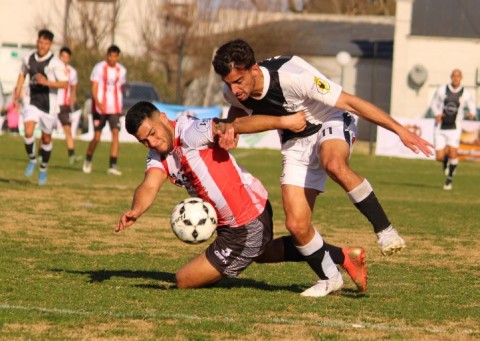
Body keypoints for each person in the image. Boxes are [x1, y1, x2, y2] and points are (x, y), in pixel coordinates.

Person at [211, 39, 434, 291]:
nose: (234, 89)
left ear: (252, 69)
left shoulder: (292, 77)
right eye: (228, 83)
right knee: (297, 225)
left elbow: (351, 103)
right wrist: (230, 130)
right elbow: (236, 113)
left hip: (332, 119)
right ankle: (331, 278)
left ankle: (385, 231)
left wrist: (400, 131)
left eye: (238, 81)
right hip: (296, 141)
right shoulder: (233, 92)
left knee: (333, 163)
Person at [116, 101, 367, 297]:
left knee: (184, 280)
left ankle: (333, 271)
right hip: (232, 224)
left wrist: (282, 122)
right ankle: (344, 255)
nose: (152, 141)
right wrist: (135, 210)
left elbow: (234, 125)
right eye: (144, 140)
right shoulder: (158, 155)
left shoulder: (191, 131)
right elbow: (149, 185)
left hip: (247, 221)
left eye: (152, 133)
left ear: (162, 118)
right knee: (263, 252)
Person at [13, 29, 68, 185]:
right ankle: (32, 159)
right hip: (32, 101)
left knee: (46, 138)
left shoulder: (55, 63)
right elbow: (23, 73)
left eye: (46, 43)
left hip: (49, 106)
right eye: (40, 42)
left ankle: (43, 168)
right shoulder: (29, 57)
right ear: (37, 41)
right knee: (28, 129)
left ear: (50, 44)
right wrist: (17, 90)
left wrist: (47, 82)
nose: (42, 46)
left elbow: (65, 83)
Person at [83, 45, 127, 175]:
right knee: (97, 137)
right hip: (100, 107)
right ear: (107, 55)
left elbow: (121, 87)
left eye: (115, 56)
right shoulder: (99, 67)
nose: (112, 58)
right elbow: (94, 86)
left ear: (118, 56)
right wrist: (97, 101)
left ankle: (112, 165)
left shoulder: (122, 70)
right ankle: (88, 159)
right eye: (110, 56)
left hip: (115, 108)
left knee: (115, 134)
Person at [429, 68, 477, 190]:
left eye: (458, 76)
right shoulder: (442, 90)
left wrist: (471, 114)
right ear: (451, 77)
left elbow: (472, 107)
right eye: (454, 76)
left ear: (461, 78)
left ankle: (449, 180)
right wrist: (437, 114)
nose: (456, 78)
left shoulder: (465, 93)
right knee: (439, 157)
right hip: (440, 127)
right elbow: (433, 103)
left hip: (455, 127)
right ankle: (445, 161)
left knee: (453, 152)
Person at [57, 46, 82, 165]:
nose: (64, 59)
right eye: (63, 56)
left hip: (64, 105)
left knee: (68, 129)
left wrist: (73, 95)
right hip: (52, 103)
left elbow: (74, 85)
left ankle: (72, 155)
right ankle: (41, 155)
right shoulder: (53, 68)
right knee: (46, 131)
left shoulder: (72, 71)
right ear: (59, 56)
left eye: (67, 57)